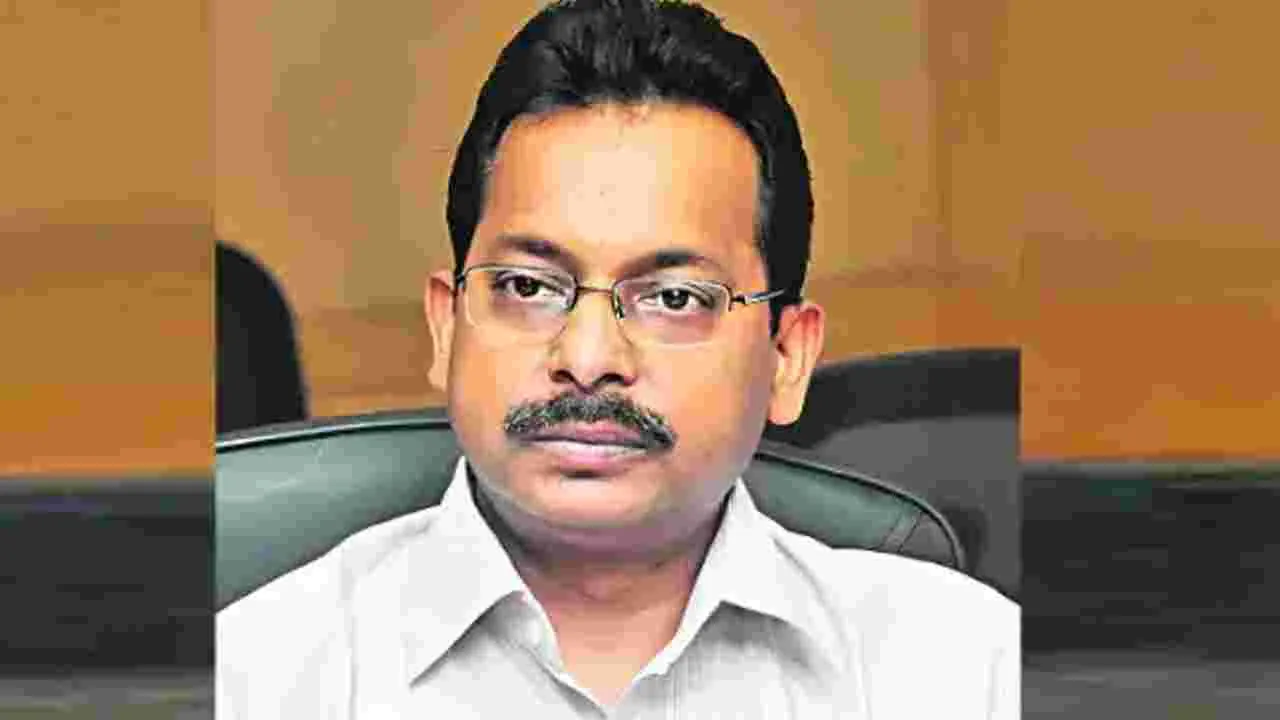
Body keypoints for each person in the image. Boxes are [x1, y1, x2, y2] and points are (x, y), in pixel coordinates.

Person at [216, 1, 1018, 717]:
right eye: (528, 286)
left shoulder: (961, 668)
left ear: (786, 356)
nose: (589, 356)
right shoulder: (259, 675)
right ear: (447, 327)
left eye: (674, 297)